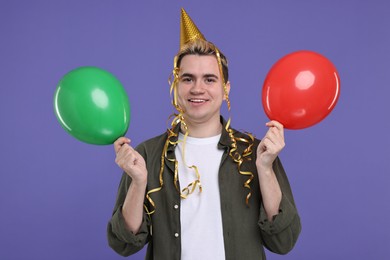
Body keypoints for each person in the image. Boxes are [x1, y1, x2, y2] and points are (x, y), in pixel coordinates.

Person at [107, 8, 301, 260]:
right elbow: (125, 244)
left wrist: (264, 169)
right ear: (176, 86)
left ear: (225, 88)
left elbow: (283, 241)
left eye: (209, 79)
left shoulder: (257, 152)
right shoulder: (147, 154)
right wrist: (138, 182)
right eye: (188, 79)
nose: (198, 88)